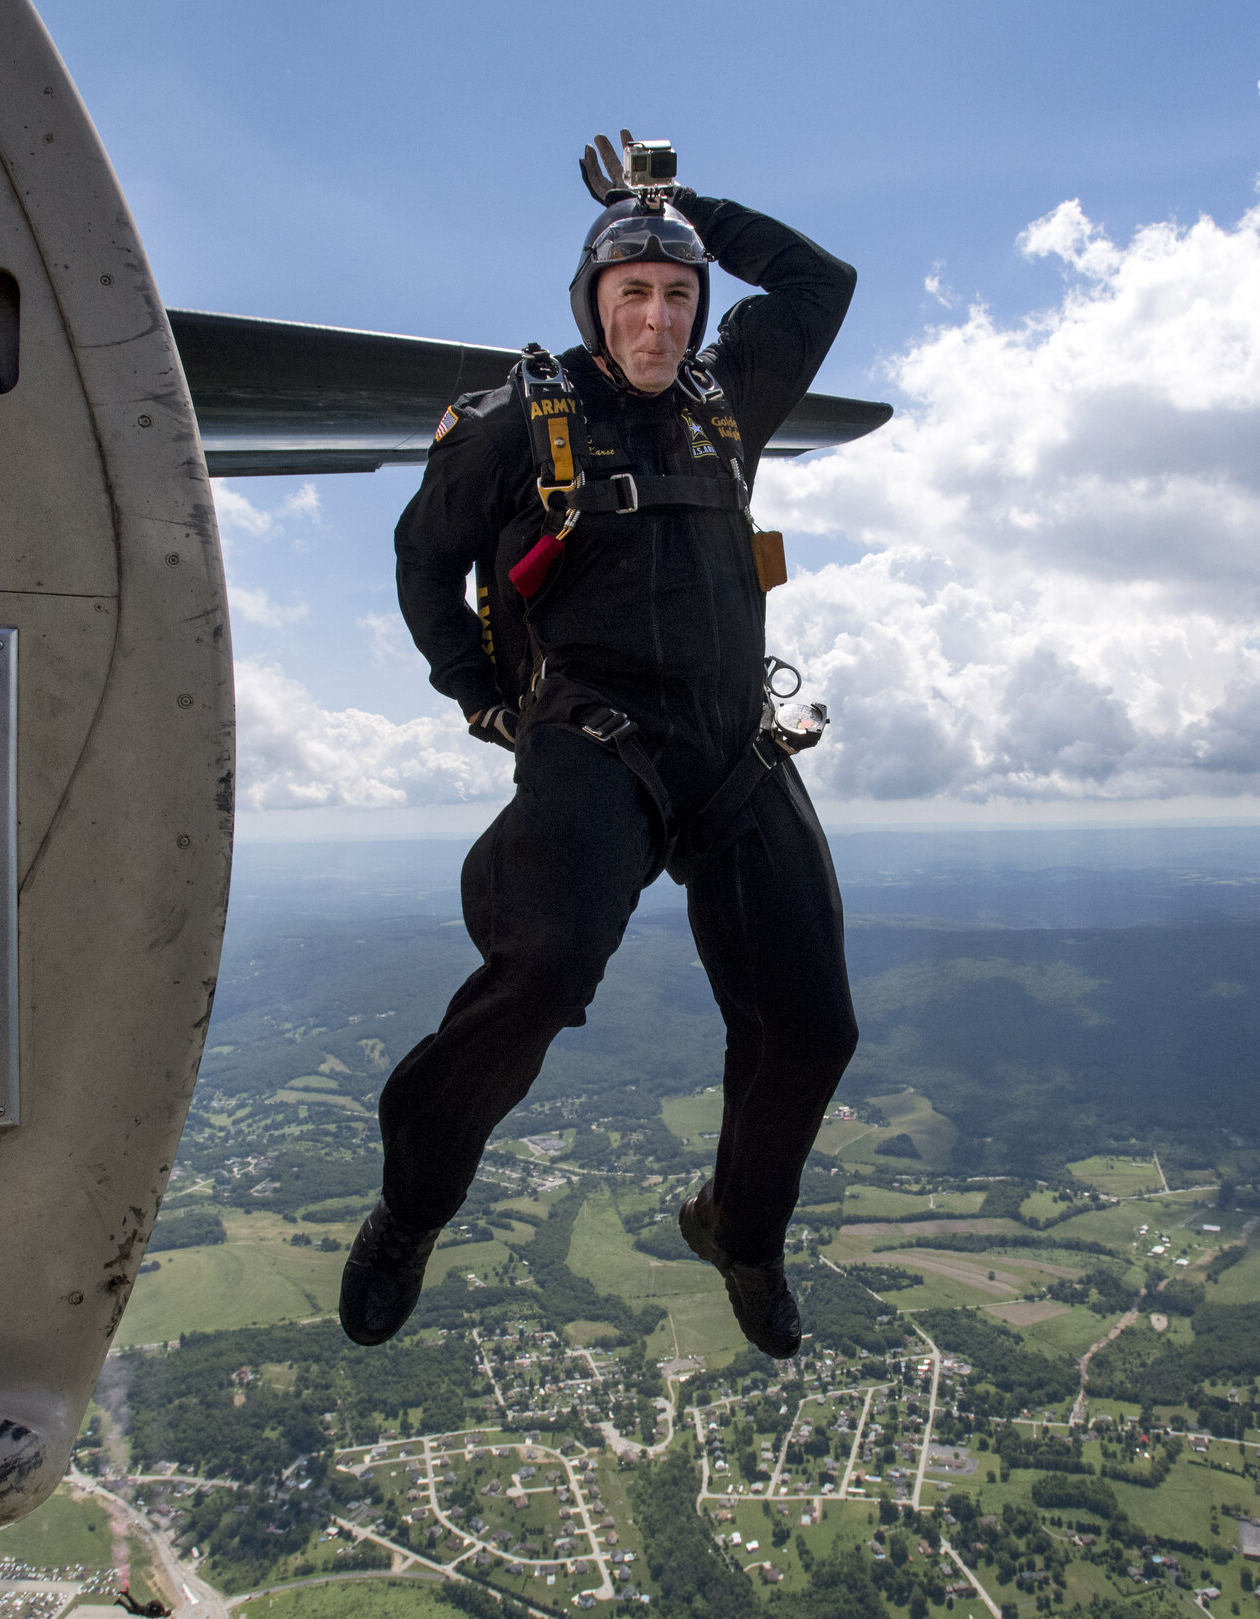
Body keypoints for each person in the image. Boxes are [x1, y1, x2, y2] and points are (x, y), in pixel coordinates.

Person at [341, 133, 860, 1357]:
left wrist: (686, 210)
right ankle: (411, 1208)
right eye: (634, 292)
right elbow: (425, 564)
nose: (660, 317)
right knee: (543, 969)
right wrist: (475, 693)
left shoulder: (728, 399)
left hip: (734, 745)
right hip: (595, 736)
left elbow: (820, 284)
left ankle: (740, 1226)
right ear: (593, 302)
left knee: (812, 1022)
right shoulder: (518, 419)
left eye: (680, 295)